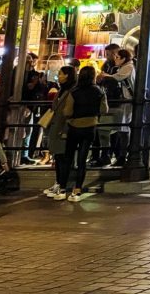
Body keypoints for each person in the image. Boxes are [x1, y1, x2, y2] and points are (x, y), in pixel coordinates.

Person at [58, 65, 108, 202]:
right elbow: (104, 109)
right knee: (82, 159)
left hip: (74, 126)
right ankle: (77, 190)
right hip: (90, 126)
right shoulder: (99, 91)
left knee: (68, 158)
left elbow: (67, 112)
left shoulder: (74, 92)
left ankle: (62, 188)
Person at [40, 65, 76, 198]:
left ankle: (62, 185)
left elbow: (68, 111)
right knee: (58, 156)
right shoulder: (63, 89)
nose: (58, 76)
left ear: (67, 75)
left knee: (63, 157)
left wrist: (66, 129)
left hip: (63, 126)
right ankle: (58, 182)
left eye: (60, 74)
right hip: (57, 125)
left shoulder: (71, 90)